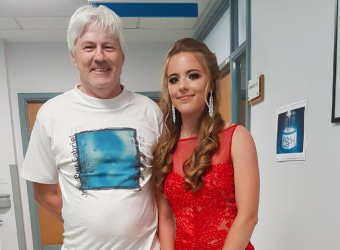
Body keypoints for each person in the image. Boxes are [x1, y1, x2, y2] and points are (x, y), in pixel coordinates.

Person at [21, 5, 162, 250]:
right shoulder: (51, 114)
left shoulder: (150, 111)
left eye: (109, 46)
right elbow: (43, 192)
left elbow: (164, 187)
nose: (99, 56)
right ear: (73, 57)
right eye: (88, 47)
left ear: (122, 56)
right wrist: (84, 223)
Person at [153, 38, 260, 250]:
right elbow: (165, 220)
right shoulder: (163, 148)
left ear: (210, 83)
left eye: (193, 76)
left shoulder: (237, 138)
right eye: (174, 79)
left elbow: (248, 216)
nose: (182, 86)